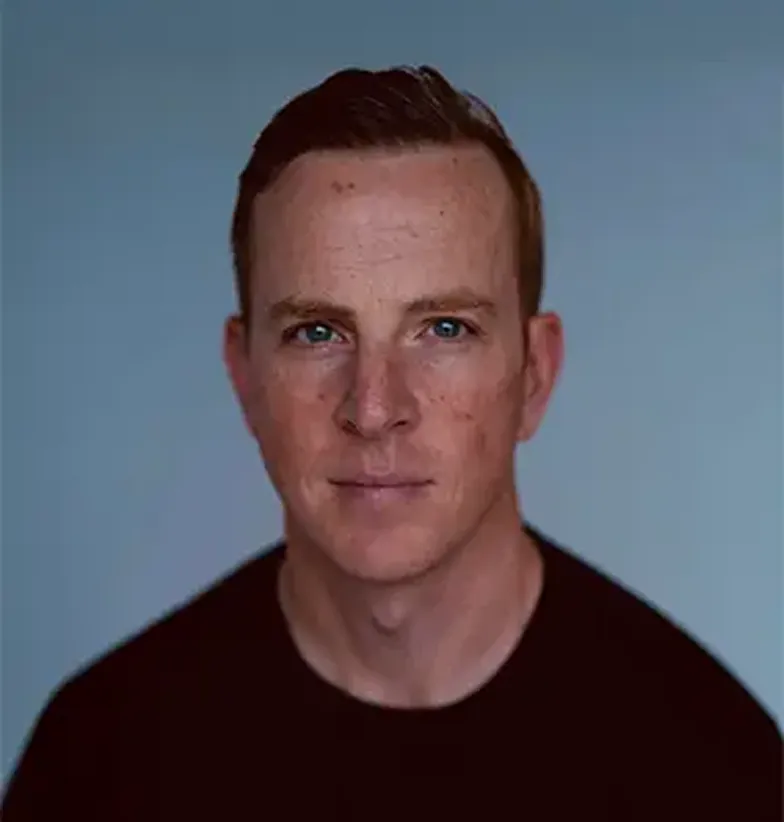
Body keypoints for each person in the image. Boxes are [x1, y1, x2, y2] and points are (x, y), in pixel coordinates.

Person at [3, 65, 781, 821]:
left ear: (534, 375)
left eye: (445, 329)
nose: (374, 409)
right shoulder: (99, 761)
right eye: (317, 332)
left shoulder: (715, 770)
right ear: (244, 377)